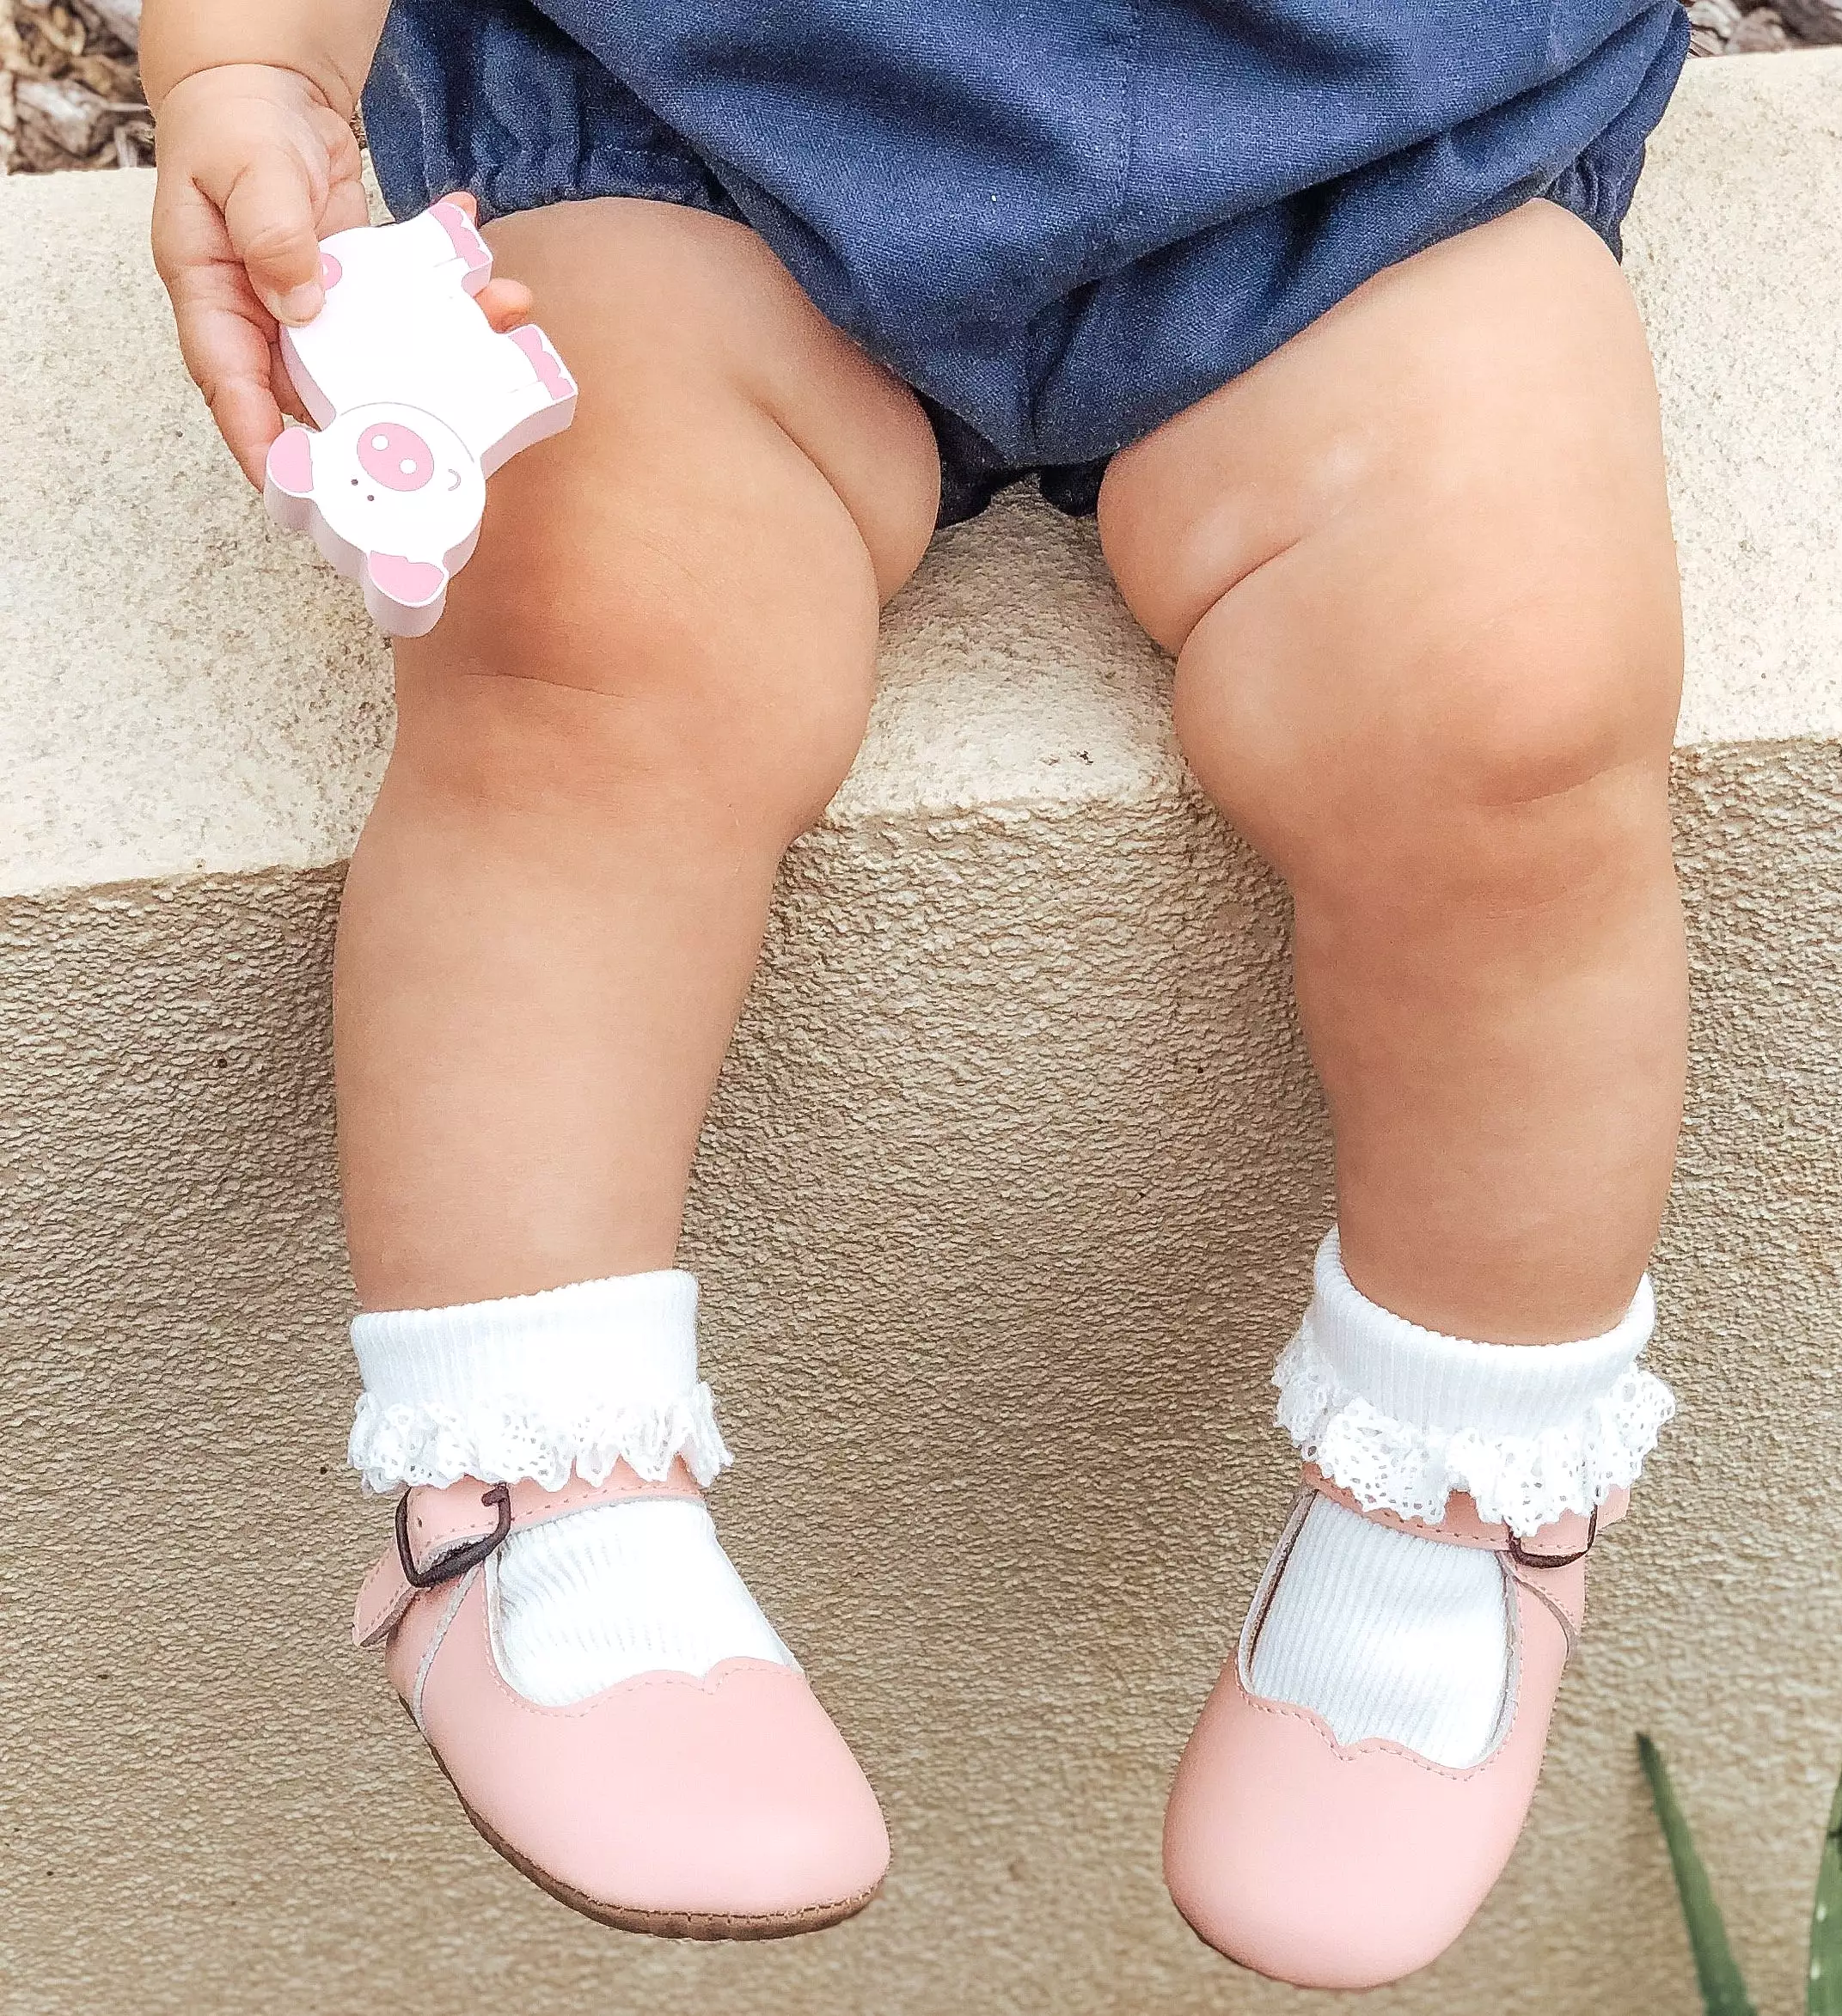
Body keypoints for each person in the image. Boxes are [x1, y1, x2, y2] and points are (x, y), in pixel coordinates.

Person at [143, 0, 1692, 1985]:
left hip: (1384, 158)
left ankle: (1466, 1486)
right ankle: (521, 1471)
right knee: (589, 642)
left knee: (1512, 709)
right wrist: (246, 64)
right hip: (695, 134)